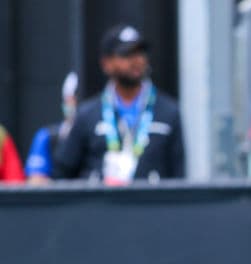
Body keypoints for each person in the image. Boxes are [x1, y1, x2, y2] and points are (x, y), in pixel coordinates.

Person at [53, 24, 185, 183]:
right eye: (126, 54)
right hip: (100, 206)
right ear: (106, 63)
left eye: (140, 53)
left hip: (151, 206)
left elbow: (179, 177)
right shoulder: (87, 114)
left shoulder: (169, 112)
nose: (136, 60)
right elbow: (63, 172)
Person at [25, 72, 79, 184]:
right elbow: (35, 181)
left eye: (75, 99)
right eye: (69, 99)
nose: (73, 103)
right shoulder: (48, 136)